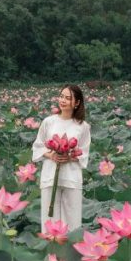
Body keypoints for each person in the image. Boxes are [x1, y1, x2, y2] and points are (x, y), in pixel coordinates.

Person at [31, 84, 90, 232]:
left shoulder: (83, 126)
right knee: (49, 221)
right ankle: (51, 253)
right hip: (50, 176)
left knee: (73, 221)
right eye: (61, 96)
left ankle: (70, 253)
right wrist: (51, 154)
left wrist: (69, 157)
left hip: (72, 178)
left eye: (68, 98)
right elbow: (38, 146)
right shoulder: (48, 122)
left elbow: (84, 152)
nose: (63, 100)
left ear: (77, 103)